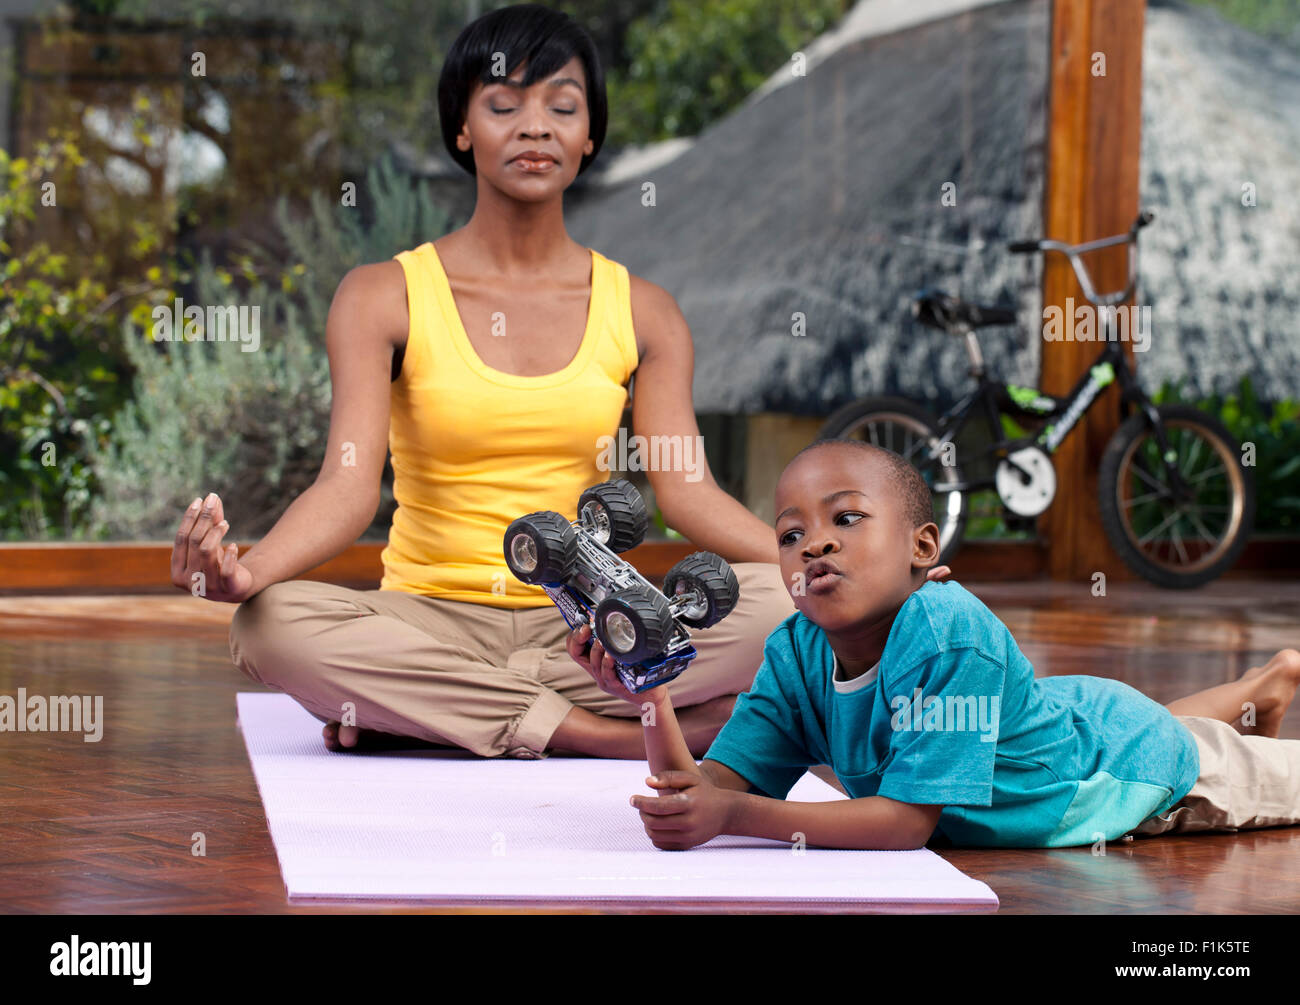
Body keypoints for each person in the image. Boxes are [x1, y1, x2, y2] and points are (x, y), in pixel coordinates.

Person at [171, 5, 944, 761]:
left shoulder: (645, 310)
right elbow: (346, 488)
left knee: (784, 607)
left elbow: (688, 490)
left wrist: (817, 569)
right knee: (269, 623)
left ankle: (435, 711)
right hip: (428, 620)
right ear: (463, 129)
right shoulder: (382, 295)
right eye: (505, 104)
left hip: (592, 624)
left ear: (589, 136)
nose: (536, 126)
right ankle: (594, 728)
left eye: (562, 106)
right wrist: (247, 571)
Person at [569, 438, 1300, 849]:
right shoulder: (795, 651)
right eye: (790, 534)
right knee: (1151, 719)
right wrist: (651, 695)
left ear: (924, 546)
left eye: (846, 519)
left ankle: (1258, 696)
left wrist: (735, 818)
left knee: (1209, 754)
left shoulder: (948, 633)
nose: (813, 542)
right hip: (1071, 720)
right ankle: (1260, 686)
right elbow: (711, 785)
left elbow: (901, 821)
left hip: (1134, 775)